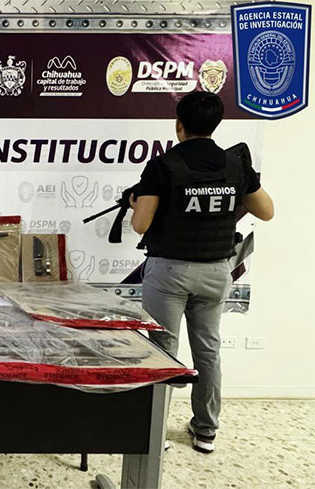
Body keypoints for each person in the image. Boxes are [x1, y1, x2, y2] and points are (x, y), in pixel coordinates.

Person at [129, 91, 274, 454]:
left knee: (162, 350)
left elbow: (140, 224)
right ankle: (206, 431)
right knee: (208, 351)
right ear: (215, 124)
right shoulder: (235, 165)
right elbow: (266, 211)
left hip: (169, 272)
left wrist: (136, 202)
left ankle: (154, 433)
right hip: (215, 272)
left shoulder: (162, 166)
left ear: (179, 125)